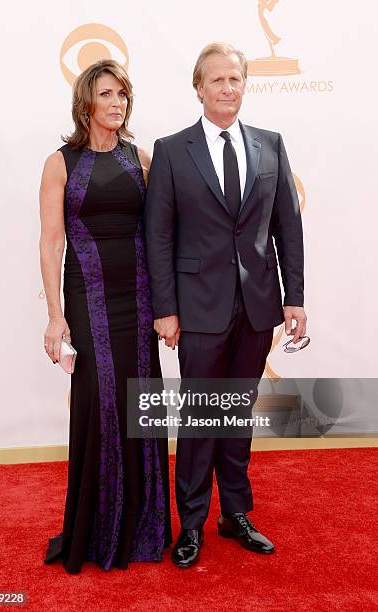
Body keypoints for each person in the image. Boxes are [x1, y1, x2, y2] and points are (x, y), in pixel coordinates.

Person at [144, 42, 306, 568]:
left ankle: (235, 514)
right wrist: (165, 308)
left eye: (236, 79)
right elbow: (159, 236)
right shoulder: (172, 149)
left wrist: (294, 297)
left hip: (258, 309)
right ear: (199, 87)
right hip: (197, 309)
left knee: (236, 418)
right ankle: (190, 523)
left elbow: (288, 227)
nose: (228, 88)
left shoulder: (270, 144)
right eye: (217, 80)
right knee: (197, 421)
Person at [39, 59, 172, 574]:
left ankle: (144, 527)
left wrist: (168, 308)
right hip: (88, 300)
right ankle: (98, 529)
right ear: (86, 104)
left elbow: (160, 237)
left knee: (139, 405)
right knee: (99, 404)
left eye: (123, 94)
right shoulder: (61, 163)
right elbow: (52, 244)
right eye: (107, 94)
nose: (117, 103)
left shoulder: (140, 158)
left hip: (138, 302)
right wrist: (55, 317)